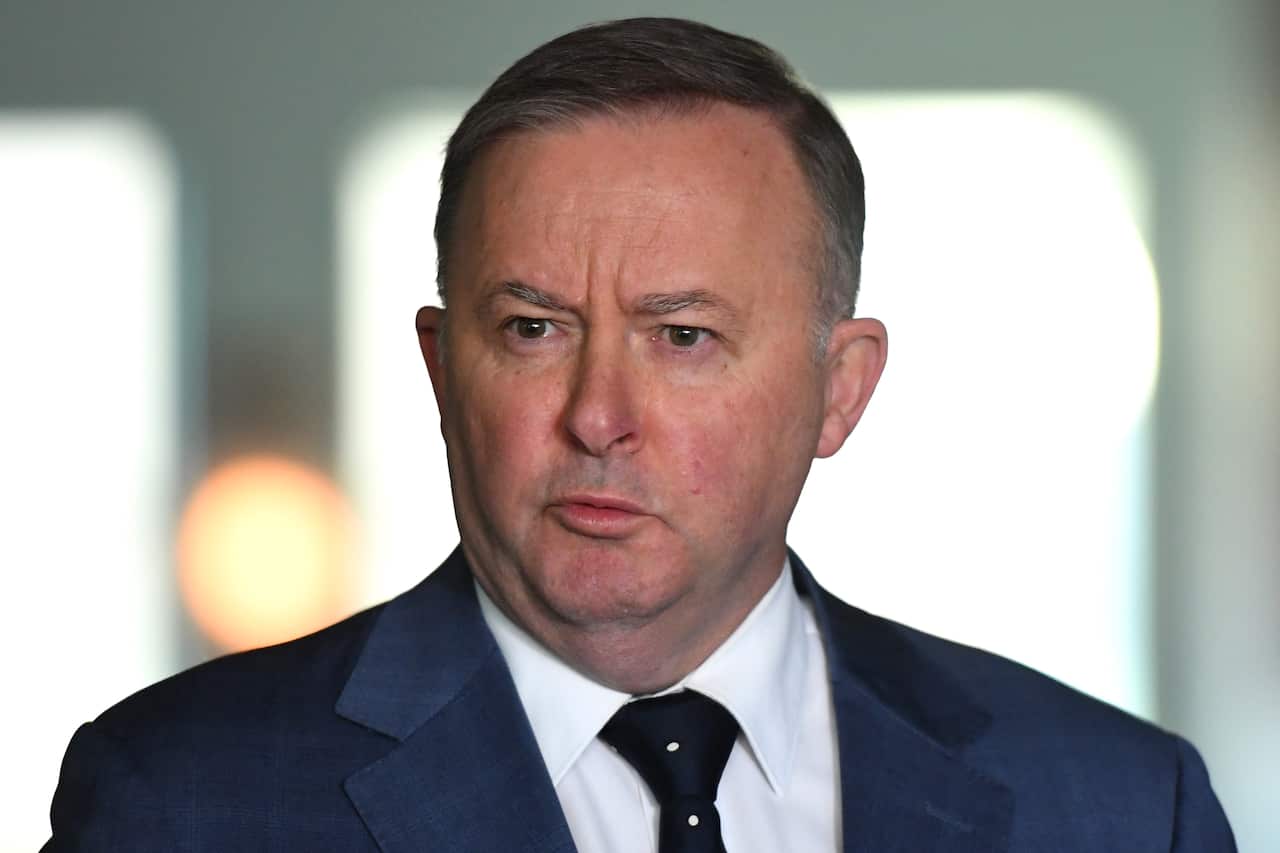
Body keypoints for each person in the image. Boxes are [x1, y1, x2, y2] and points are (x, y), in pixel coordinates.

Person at [44, 17, 1234, 852]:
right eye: (530, 327)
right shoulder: (178, 803)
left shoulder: (1120, 809)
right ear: (440, 369)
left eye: (679, 337)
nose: (596, 417)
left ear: (839, 388)